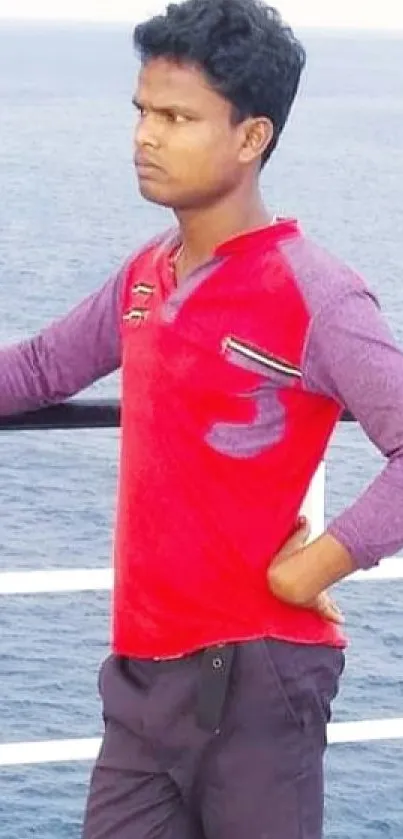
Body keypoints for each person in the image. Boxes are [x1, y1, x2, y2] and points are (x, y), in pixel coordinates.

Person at [1, 0, 403, 836]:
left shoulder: (314, 291)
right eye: (143, 112)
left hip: (255, 678)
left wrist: (316, 566)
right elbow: (38, 368)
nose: (146, 136)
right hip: (141, 679)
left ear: (251, 137)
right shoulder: (147, 275)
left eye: (178, 117)